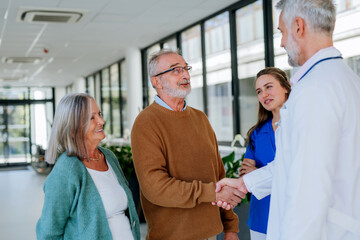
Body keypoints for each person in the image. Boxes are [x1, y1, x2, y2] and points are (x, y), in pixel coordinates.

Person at [216, 0, 360, 239]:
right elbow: (294, 165)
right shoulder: (348, 81)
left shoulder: (314, 90)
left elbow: (308, 189)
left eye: (281, 32)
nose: (282, 42)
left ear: (298, 27)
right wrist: (245, 184)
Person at [131, 49, 241, 240]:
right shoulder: (145, 122)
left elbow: (219, 176)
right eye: (175, 70)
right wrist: (210, 193)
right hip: (172, 236)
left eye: (185, 68)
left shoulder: (200, 118)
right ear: (156, 81)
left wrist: (230, 227)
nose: (185, 74)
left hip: (212, 233)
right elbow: (155, 188)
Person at [36, 93, 140, 240]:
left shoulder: (108, 156)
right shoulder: (66, 169)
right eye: (92, 118)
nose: (101, 121)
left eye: (99, 114)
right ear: (73, 129)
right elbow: (48, 233)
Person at [239, 67, 290, 240]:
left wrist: (258, 175)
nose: (263, 95)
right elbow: (246, 173)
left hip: (292, 213)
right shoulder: (256, 133)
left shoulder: (300, 124)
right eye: (259, 91)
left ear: (286, 87)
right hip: (262, 215)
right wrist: (257, 177)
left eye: (269, 87)